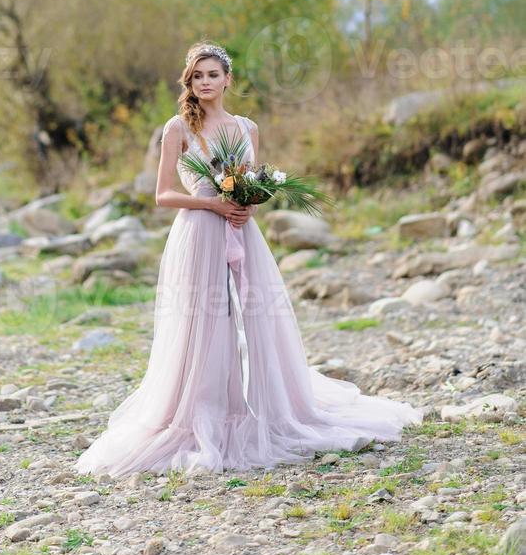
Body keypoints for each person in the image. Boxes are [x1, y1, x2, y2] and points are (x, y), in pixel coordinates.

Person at [74, 41, 424, 478]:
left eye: (212, 75)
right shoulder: (177, 128)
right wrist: (214, 205)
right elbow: (163, 194)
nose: (205, 83)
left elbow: (253, 185)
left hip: (241, 231)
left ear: (227, 80)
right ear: (190, 81)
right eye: (197, 76)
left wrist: (248, 205)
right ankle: (204, 410)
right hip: (199, 231)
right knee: (203, 320)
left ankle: (263, 408)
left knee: (257, 317)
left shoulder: (246, 128)